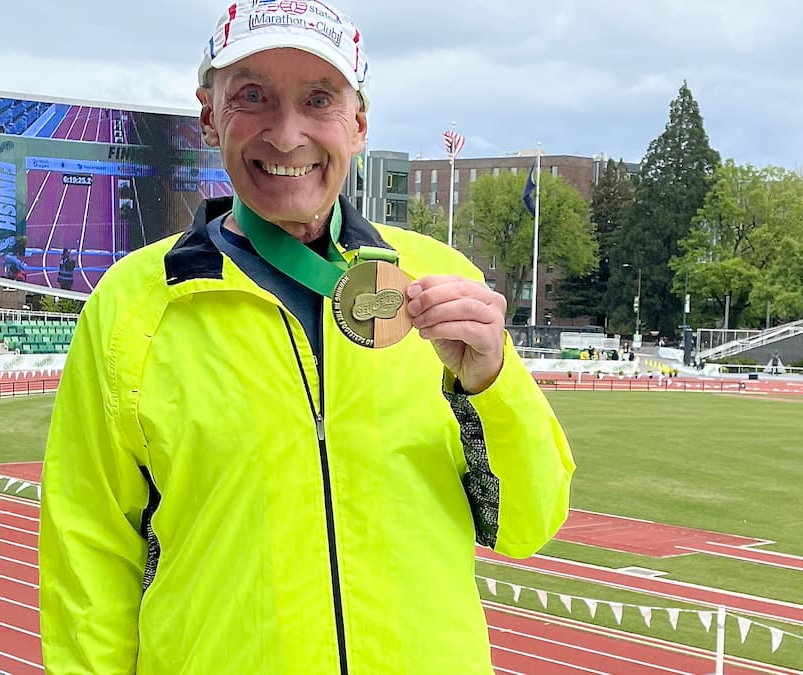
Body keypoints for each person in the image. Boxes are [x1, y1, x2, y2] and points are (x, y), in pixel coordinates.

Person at [38, 3, 575, 673]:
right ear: (210, 116)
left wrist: (493, 384)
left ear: (358, 123)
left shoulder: (443, 284)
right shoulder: (135, 303)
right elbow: (88, 553)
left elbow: (528, 522)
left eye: (318, 99)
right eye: (252, 96)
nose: (286, 135)